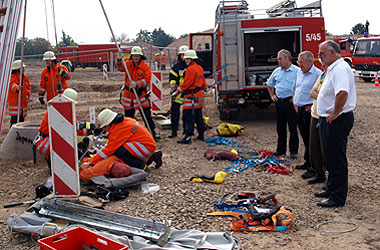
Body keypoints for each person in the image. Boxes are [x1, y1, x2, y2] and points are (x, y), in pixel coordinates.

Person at [314, 40, 356, 208]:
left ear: (332, 52)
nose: (319, 57)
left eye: (321, 54)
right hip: (328, 119)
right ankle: (331, 189)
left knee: (337, 158)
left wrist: (336, 112)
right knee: (330, 157)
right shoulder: (332, 68)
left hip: (337, 120)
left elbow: (342, 92)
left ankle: (337, 197)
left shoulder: (340, 69)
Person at [33, 88, 94, 169]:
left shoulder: (67, 110)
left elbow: (75, 129)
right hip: (46, 143)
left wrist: (90, 131)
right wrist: (84, 125)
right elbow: (68, 126)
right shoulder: (54, 111)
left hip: (51, 142)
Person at [87, 108, 162, 169]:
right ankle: (153, 157)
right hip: (147, 145)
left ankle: (141, 166)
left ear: (108, 124)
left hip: (145, 147)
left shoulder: (117, 130)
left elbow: (108, 151)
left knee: (118, 151)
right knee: (123, 149)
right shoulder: (124, 121)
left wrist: (91, 162)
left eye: (104, 127)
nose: (103, 129)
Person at [116, 46, 158, 140]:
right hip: (128, 96)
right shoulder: (128, 64)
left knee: (146, 115)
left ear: (140, 56)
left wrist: (137, 84)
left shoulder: (145, 66)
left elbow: (147, 80)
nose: (135, 58)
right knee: (129, 118)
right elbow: (120, 68)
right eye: (134, 56)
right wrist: (119, 59)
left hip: (141, 95)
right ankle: (129, 135)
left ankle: (152, 132)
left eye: (137, 56)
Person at [293, 51, 322, 179]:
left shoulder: (318, 74)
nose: (299, 64)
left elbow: (320, 93)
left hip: (308, 111)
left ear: (310, 62)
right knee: (305, 139)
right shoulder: (299, 72)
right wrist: (295, 102)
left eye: (302, 62)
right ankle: (307, 162)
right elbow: (295, 88)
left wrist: (312, 105)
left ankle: (314, 167)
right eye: (299, 62)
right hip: (299, 110)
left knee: (312, 141)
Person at [267, 49, 300, 159]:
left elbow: (302, 85)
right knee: (280, 128)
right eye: (278, 59)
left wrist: (296, 97)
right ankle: (280, 151)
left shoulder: (297, 71)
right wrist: (272, 95)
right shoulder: (277, 71)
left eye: (280, 58)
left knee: (293, 128)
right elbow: (269, 84)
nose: (278, 61)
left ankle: (293, 151)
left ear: (287, 58)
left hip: (291, 103)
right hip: (279, 103)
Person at [174, 50, 206, 144]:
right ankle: (201, 134)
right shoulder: (199, 68)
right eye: (186, 59)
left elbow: (187, 83)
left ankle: (188, 137)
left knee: (188, 117)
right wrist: (205, 88)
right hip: (198, 96)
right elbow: (203, 80)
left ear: (193, 59)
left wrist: (177, 91)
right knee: (198, 117)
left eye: (188, 59)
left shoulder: (190, 69)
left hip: (190, 97)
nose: (187, 61)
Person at [307, 63, 327, 185]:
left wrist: (320, 96)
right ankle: (318, 172)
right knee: (314, 146)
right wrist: (322, 97)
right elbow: (312, 93)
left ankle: (329, 178)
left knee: (325, 149)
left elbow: (332, 97)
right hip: (315, 115)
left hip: (324, 117)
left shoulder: (332, 77)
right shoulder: (322, 76)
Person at [168, 45, 189, 138]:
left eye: (185, 55)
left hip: (188, 93)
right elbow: (172, 78)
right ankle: (174, 131)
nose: (184, 57)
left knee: (187, 114)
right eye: (182, 55)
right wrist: (173, 87)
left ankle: (186, 131)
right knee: (174, 112)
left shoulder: (192, 66)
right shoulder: (177, 66)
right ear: (180, 55)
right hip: (178, 93)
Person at [8, 60, 31, 127]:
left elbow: (28, 87)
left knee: (21, 122)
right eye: (22, 68)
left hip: (23, 104)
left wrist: (28, 96)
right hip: (15, 104)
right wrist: (17, 88)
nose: (24, 69)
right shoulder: (12, 77)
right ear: (18, 69)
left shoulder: (25, 77)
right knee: (14, 122)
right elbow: (12, 85)